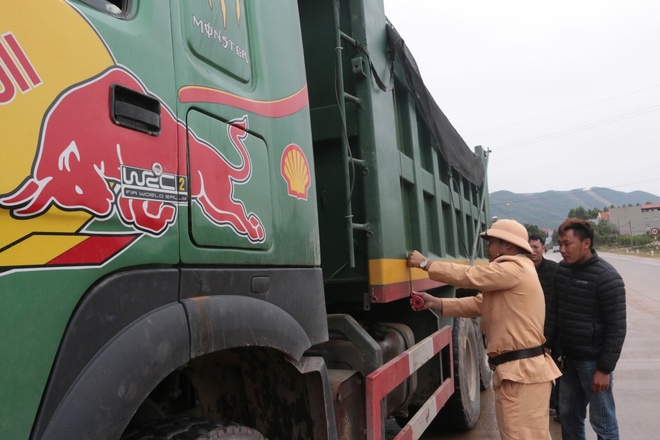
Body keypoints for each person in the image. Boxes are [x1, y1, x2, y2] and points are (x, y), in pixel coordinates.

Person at [408, 219, 561, 440]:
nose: (487, 248)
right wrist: (437, 303)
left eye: (491, 242)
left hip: (521, 374)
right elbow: (481, 305)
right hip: (521, 372)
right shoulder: (518, 271)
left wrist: (426, 264)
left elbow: (471, 276)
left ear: (507, 245)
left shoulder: (514, 267)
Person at [545, 218, 626, 440]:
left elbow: (617, 328)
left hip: (593, 365)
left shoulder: (607, 277)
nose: (562, 250)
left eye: (567, 244)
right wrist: (547, 344)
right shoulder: (562, 271)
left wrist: (604, 370)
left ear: (586, 243)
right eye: (560, 244)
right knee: (569, 419)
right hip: (567, 362)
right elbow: (554, 311)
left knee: (603, 423)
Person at [528, 234, 560, 419]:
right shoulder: (521, 271)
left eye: (536, 247)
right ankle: (544, 405)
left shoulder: (555, 270)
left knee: (556, 370)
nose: (532, 251)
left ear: (543, 249)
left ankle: (558, 407)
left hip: (552, 329)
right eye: (529, 247)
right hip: (530, 330)